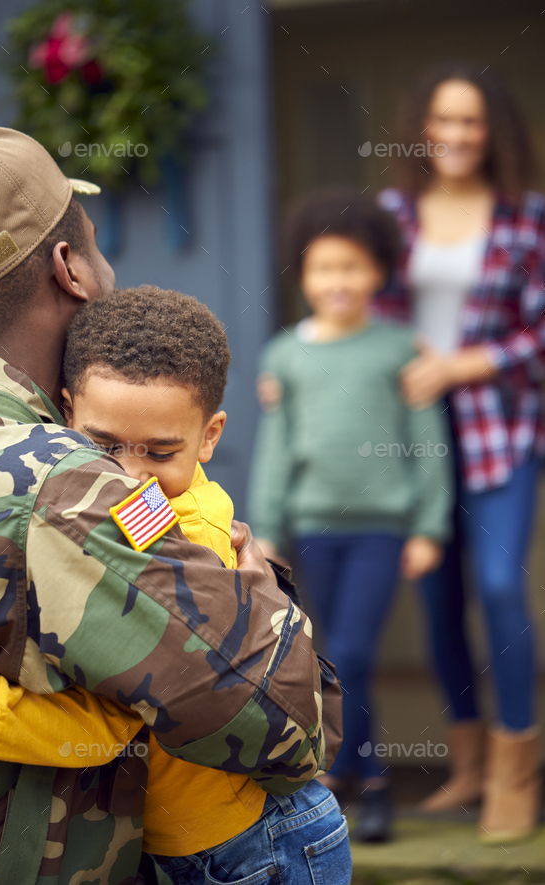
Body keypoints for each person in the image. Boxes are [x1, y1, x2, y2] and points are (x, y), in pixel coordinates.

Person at [0, 127, 342, 882]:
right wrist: (270, 609)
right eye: (96, 244)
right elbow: (286, 727)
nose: (130, 471)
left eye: (158, 450)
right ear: (69, 269)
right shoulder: (59, 481)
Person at [248, 190, 452, 842]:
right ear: (303, 275)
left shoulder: (398, 349)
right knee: (324, 654)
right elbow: (277, 448)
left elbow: (427, 443)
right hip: (313, 528)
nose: (338, 282)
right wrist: (267, 525)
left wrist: (430, 524)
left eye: (352, 267)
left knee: (356, 650)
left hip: (381, 528)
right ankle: (345, 778)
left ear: (380, 272)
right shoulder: (286, 355)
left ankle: (367, 777)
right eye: (323, 269)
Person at [376, 61, 545, 843]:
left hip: (500, 424)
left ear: (493, 130)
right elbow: (362, 312)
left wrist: (464, 363)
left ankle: (517, 772)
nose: (455, 135)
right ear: (421, 128)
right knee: (436, 599)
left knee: (499, 584)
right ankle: (469, 766)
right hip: (414, 428)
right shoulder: (391, 213)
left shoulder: (526, 217)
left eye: (471, 121)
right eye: (442, 119)